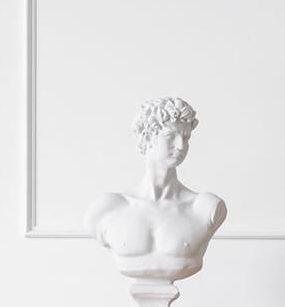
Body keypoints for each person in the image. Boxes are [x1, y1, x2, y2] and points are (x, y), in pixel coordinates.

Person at [86, 97, 227, 283]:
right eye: (171, 136)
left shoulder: (205, 207)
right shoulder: (108, 208)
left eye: (185, 137)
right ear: (148, 137)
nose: (181, 146)